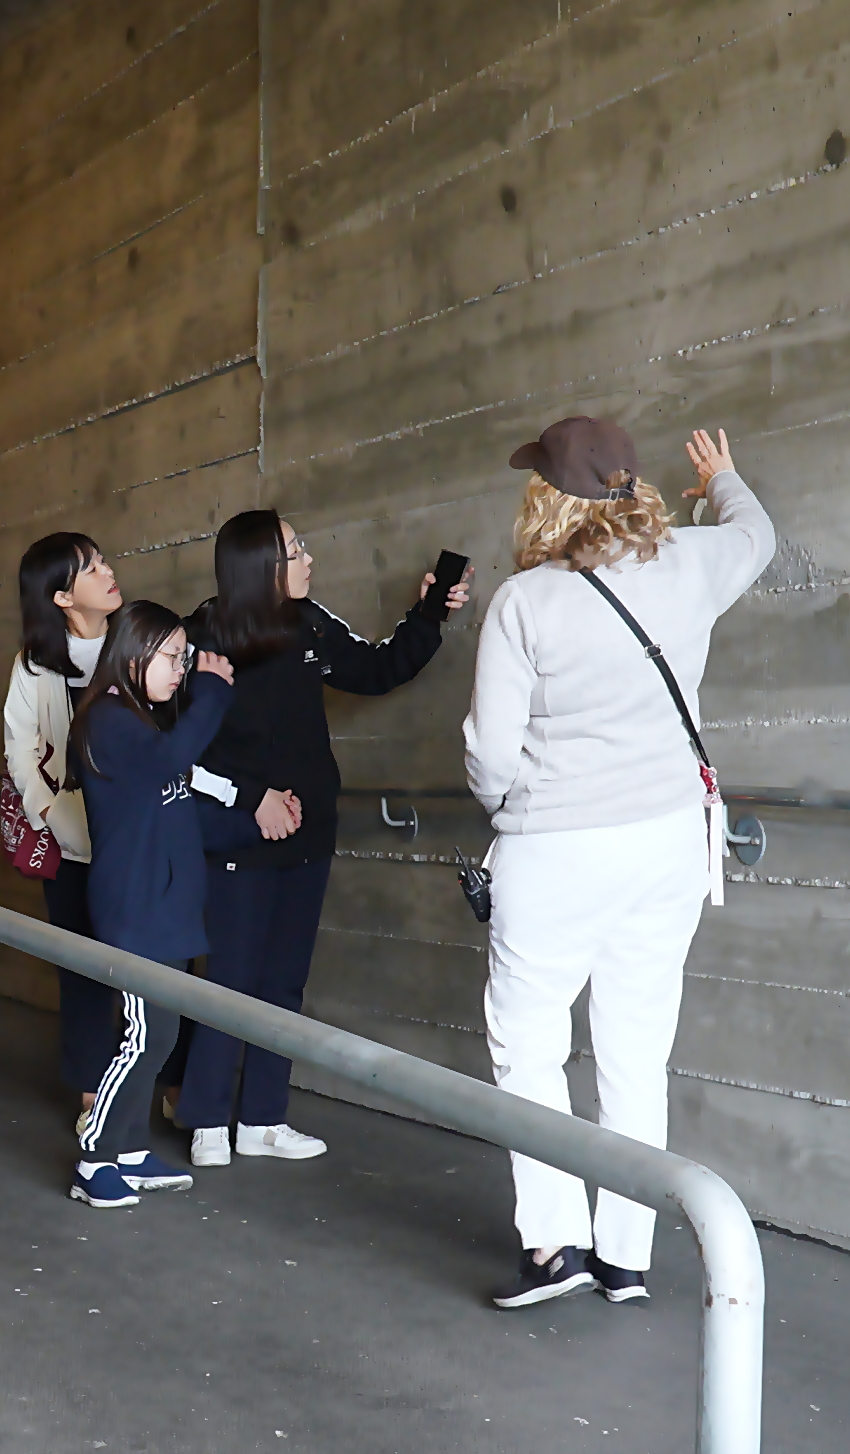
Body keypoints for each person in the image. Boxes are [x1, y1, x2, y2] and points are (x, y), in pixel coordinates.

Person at [464, 422, 771, 1309]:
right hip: (669, 843)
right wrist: (723, 478)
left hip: (556, 846)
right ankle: (626, 1256)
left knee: (530, 1043)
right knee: (637, 1049)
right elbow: (757, 535)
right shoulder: (691, 565)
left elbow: (490, 754)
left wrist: (513, 809)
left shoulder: (524, 603)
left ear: (546, 498)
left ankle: (554, 1244)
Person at [176, 512, 470, 1169]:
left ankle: (262, 1120)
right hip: (237, 837)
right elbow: (172, 753)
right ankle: (205, 1121)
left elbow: (376, 667)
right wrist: (249, 799)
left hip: (307, 836)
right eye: (294, 550)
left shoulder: (310, 622)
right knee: (225, 982)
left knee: (283, 983)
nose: (308, 559)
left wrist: (429, 613)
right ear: (258, 566)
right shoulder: (199, 638)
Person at [65, 601, 223, 1209]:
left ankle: (129, 1151)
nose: (182, 670)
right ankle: (94, 1157)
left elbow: (175, 792)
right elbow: (169, 762)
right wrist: (212, 692)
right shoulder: (107, 719)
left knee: (161, 1035)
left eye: (186, 659)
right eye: (174, 657)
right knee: (142, 1038)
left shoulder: (138, 721)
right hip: (135, 907)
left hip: (166, 906)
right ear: (135, 653)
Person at [2, 532, 121, 1103]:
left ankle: (167, 1087)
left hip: (135, 836)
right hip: (70, 838)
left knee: (154, 967)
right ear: (61, 597)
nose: (109, 571)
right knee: (81, 967)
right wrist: (46, 811)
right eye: (92, 568)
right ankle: (90, 1095)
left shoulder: (135, 641)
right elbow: (20, 748)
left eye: (102, 561)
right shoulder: (34, 664)